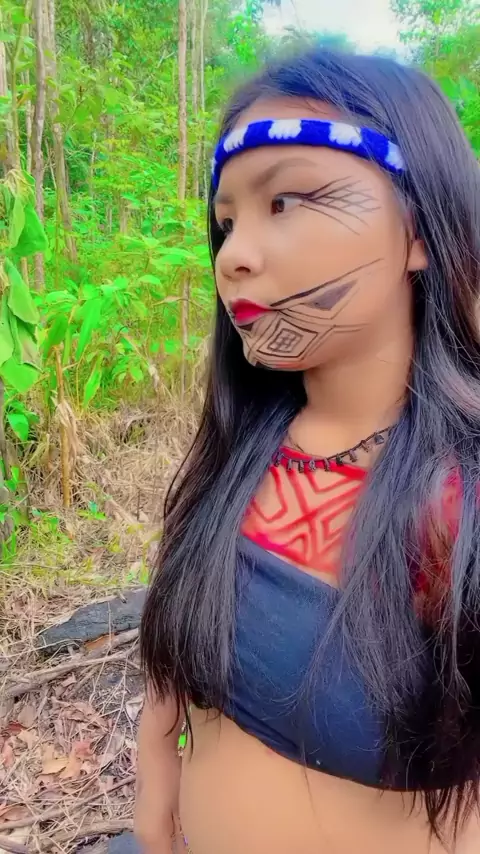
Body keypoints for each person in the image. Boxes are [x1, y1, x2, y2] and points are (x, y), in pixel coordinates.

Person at [134, 48, 480, 854]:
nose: (232, 255)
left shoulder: (456, 495)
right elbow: (172, 663)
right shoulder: (237, 450)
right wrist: (155, 781)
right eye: (226, 222)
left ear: (419, 230)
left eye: (285, 201)